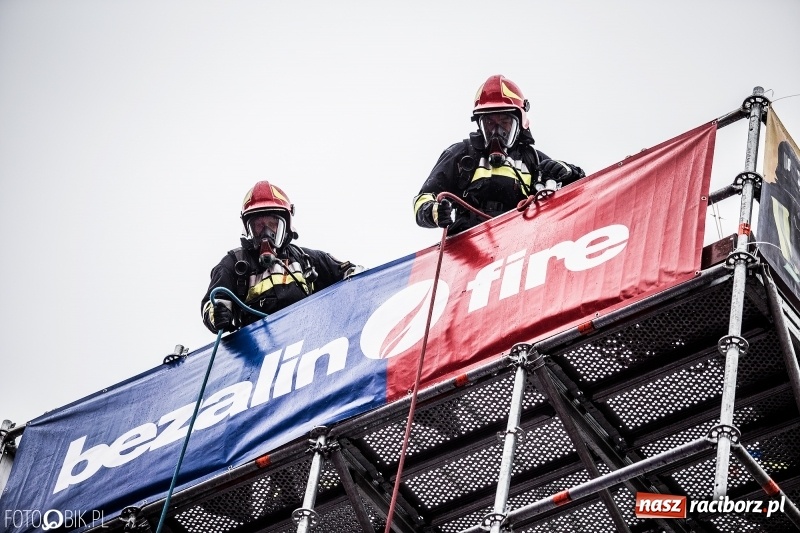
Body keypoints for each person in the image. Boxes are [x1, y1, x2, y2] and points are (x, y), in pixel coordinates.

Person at [413, 74, 586, 235]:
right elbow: (423, 198)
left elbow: (584, 193)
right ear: (480, 124)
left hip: (521, 243)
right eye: (489, 123)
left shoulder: (532, 159)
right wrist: (433, 211)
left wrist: (568, 172)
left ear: (520, 123)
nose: (497, 131)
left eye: (504, 122)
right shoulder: (462, 155)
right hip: (467, 249)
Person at [202, 180, 360, 333]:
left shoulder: (306, 259)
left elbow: (355, 274)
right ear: (248, 229)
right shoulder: (235, 264)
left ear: (286, 225)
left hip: (308, 344)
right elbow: (210, 305)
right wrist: (217, 314)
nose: (266, 233)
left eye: (273, 224)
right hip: (257, 355)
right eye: (259, 226)